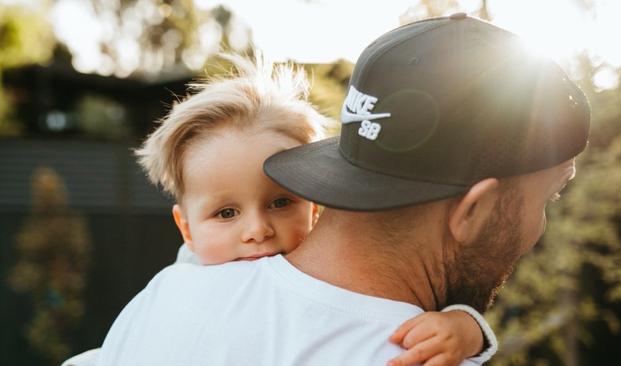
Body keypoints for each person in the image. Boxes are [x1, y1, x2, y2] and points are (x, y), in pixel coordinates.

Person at [95, 14, 590, 366]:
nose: (257, 231)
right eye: (549, 196)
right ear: (473, 211)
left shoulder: (163, 299)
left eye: (279, 202)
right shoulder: (414, 355)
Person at [64, 52, 496, 366]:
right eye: (226, 213)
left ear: (315, 204)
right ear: (187, 229)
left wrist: (465, 329)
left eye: (280, 202)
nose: (257, 230)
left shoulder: (340, 285)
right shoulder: (176, 285)